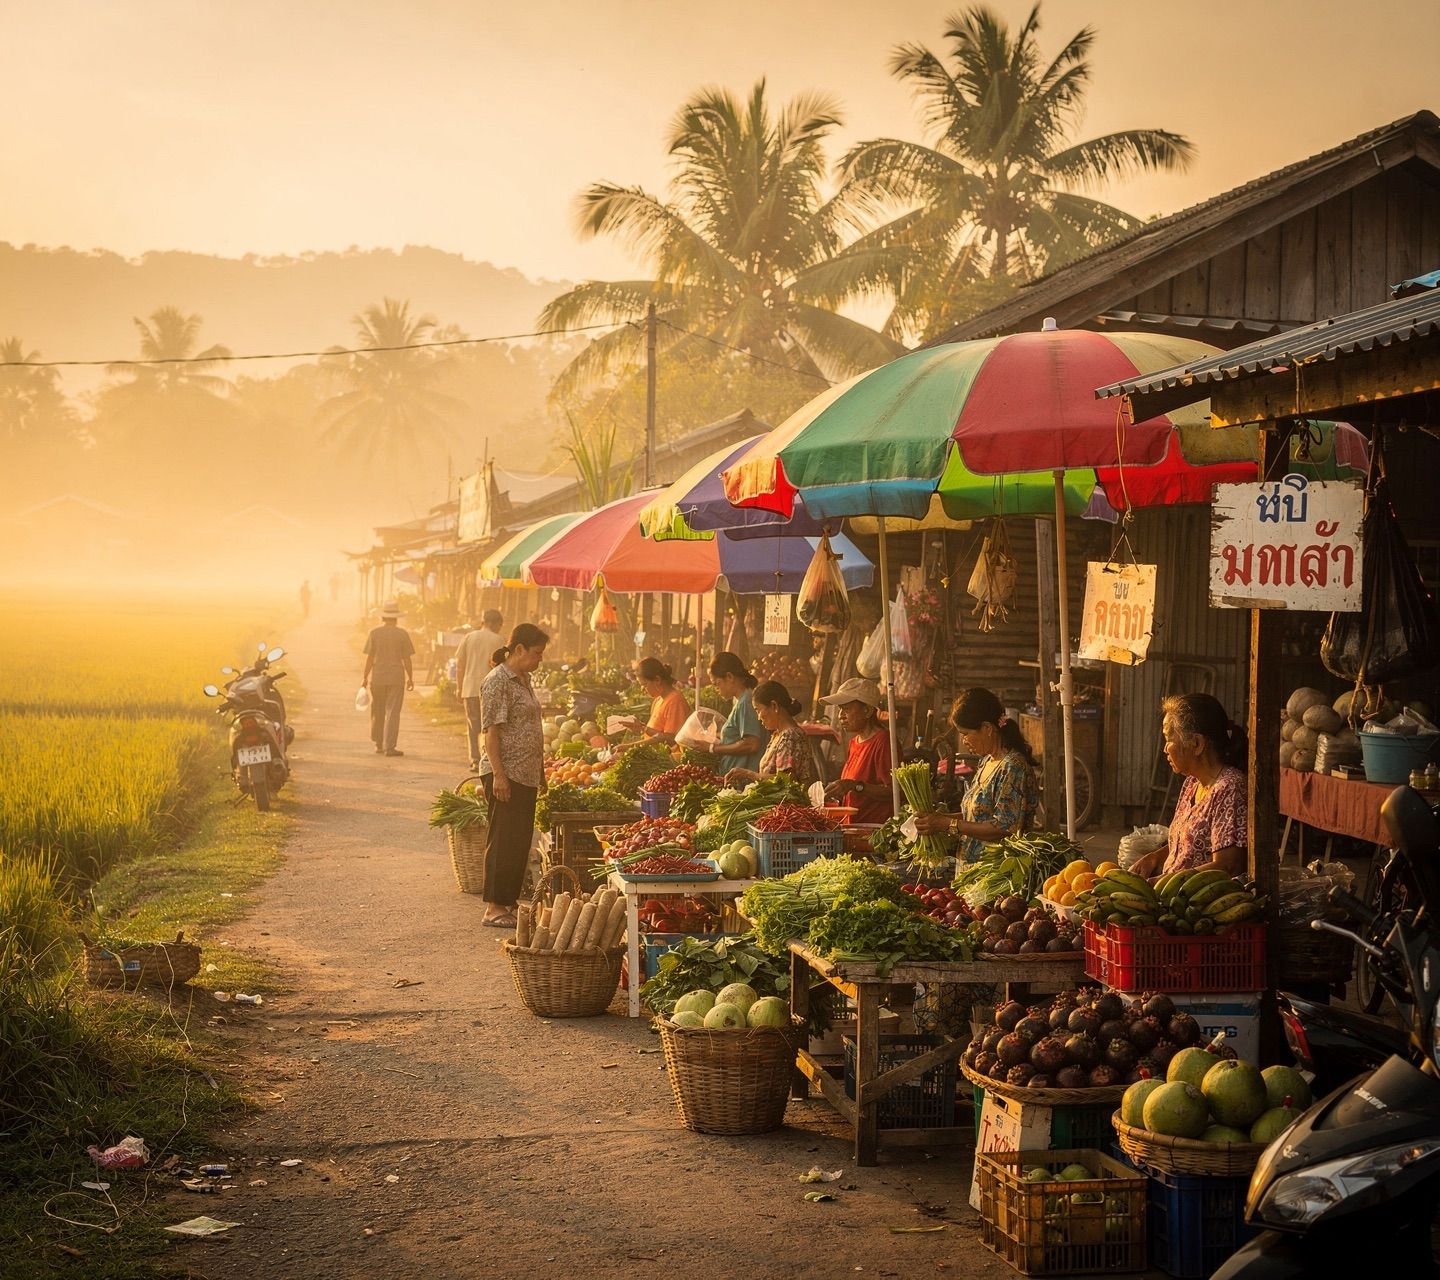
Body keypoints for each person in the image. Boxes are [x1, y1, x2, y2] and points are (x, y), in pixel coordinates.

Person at [477, 623, 550, 927]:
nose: (539, 660)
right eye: (536, 653)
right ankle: (494, 907)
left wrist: (541, 770)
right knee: (504, 839)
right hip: (506, 771)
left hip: (527, 772)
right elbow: (491, 734)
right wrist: (499, 776)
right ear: (519, 649)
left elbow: (531, 727)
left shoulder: (524, 679)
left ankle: (508, 901)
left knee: (519, 841)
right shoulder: (497, 681)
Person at [913, 687, 1038, 863]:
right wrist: (937, 820)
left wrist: (948, 824)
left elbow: (1003, 827)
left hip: (996, 873)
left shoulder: (1013, 767)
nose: (964, 741)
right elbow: (976, 816)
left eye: (966, 734)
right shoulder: (986, 761)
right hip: (971, 871)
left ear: (987, 728)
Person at [1130, 694, 1248, 879]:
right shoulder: (1192, 783)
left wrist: (1158, 883)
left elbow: (1227, 866)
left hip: (1200, 902)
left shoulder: (1230, 788)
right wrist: (1154, 858)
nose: (1164, 749)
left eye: (1169, 739)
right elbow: (1188, 843)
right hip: (1171, 893)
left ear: (1197, 744)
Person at [821, 677, 893, 825]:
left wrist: (854, 786)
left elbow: (893, 791)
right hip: (853, 825)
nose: (840, 715)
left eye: (846, 709)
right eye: (840, 709)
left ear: (867, 710)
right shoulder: (854, 742)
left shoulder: (884, 741)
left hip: (874, 829)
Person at [724, 681, 820, 787]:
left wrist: (748, 774)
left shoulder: (790, 737)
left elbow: (784, 781)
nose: (758, 718)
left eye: (758, 710)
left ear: (774, 706)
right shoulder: (780, 735)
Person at [362, 599, 415, 757]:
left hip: (377, 676)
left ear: (383, 617)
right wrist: (410, 678)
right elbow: (407, 659)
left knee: (378, 710)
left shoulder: (374, 633)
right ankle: (389, 746)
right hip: (396, 677)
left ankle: (379, 743)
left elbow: (370, 658)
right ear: (396, 618)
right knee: (392, 712)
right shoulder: (402, 634)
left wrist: (365, 677)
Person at [455, 608, 505, 770]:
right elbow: (502, 667)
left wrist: (459, 687)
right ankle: (488, 759)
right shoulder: (499, 640)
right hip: (491, 690)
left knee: (473, 725)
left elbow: (460, 665)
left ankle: (475, 759)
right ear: (494, 623)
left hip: (469, 688)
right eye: (499, 625)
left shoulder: (469, 637)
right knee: (490, 726)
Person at [703, 652, 768, 773]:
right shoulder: (738, 700)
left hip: (745, 779)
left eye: (717, 684)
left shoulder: (746, 702)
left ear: (729, 677)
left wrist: (713, 748)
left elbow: (751, 744)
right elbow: (737, 736)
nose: (717, 689)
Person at [620, 658, 691, 744]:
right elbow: (656, 733)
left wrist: (642, 730)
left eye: (645, 684)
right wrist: (641, 728)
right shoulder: (658, 700)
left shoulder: (675, 701)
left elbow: (671, 739)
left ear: (657, 680)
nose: (643, 689)